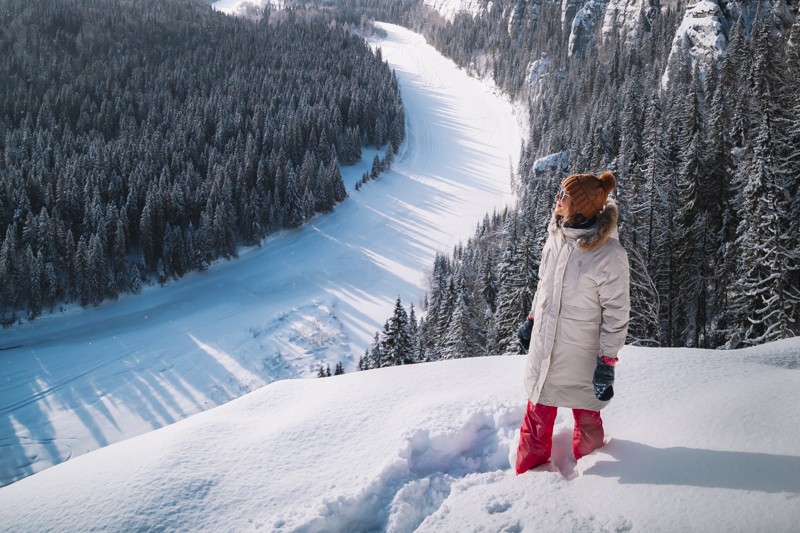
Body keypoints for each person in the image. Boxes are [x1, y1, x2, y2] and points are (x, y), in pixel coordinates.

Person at [514, 171, 630, 474]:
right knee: (536, 415)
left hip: (582, 352)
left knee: (587, 418)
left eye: (563, 195)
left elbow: (617, 314)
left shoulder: (609, 256)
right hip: (546, 344)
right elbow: (544, 284)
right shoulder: (557, 237)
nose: (557, 199)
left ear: (579, 206)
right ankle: (526, 481)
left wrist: (606, 362)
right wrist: (532, 318)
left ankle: (595, 480)